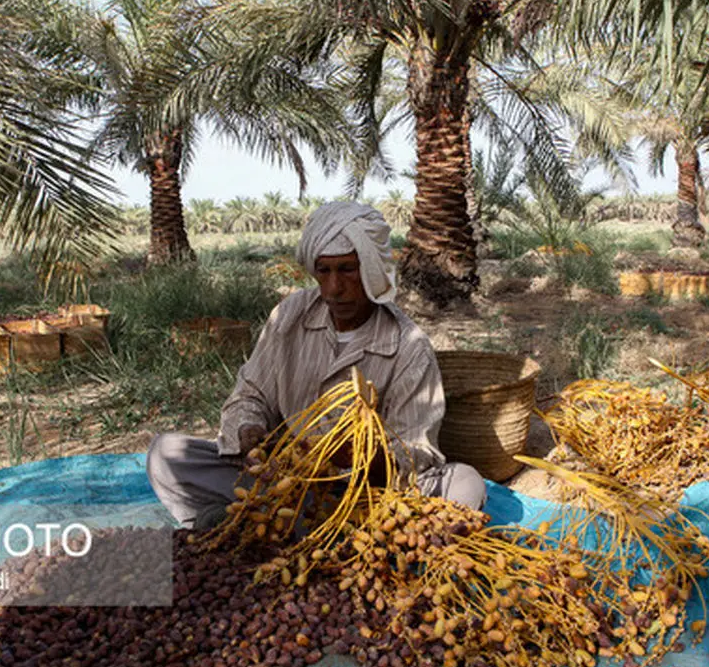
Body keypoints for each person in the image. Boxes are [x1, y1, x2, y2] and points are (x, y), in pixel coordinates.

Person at [146, 201, 486, 529]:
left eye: (347, 270)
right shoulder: (290, 315)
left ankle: (280, 526)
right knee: (166, 453)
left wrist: (353, 457)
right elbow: (250, 394)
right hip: (285, 485)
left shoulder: (409, 347)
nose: (334, 288)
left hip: (367, 497)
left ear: (371, 271)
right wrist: (250, 433)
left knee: (465, 484)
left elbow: (416, 454)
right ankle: (303, 527)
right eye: (324, 270)